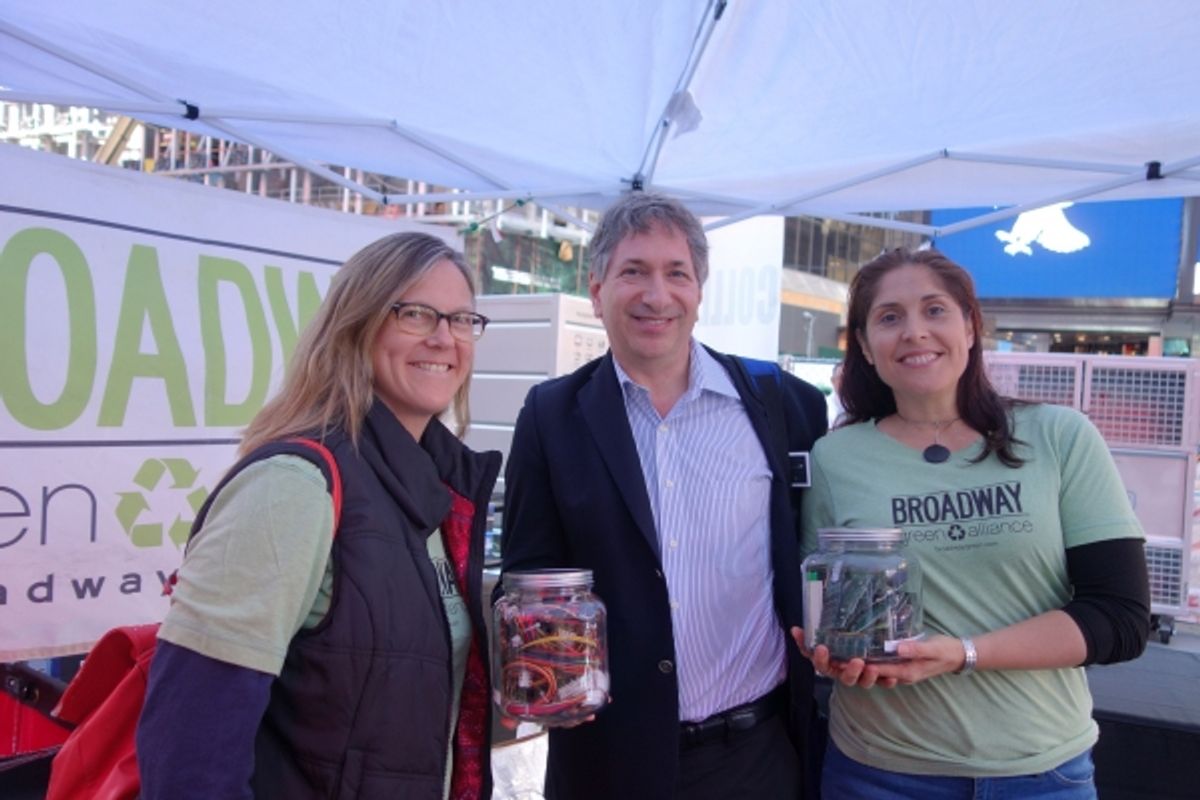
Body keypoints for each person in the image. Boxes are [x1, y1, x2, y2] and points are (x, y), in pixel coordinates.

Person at [136, 232, 502, 800]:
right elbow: (190, 749)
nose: (444, 337)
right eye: (416, 314)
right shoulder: (294, 486)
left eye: (460, 319)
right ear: (355, 326)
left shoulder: (435, 489)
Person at [500, 192, 829, 799]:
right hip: (607, 761)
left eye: (676, 273)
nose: (657, 295)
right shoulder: (552, 415)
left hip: (755, 758)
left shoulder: (784, 404)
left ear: (699, 291)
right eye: (633, 272)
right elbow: (528, 574)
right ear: (597, 291)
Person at [799, 247, 1150, 799]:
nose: (915, 332)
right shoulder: (834, 458)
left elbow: (1122, 619)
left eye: (934, 310)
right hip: (879, 772)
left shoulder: (1059, 437)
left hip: (1041, 772)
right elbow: (828, 602)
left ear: (970, 326)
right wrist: (832, 653)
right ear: (865, 346)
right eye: (890, 317)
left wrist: (961, 653)